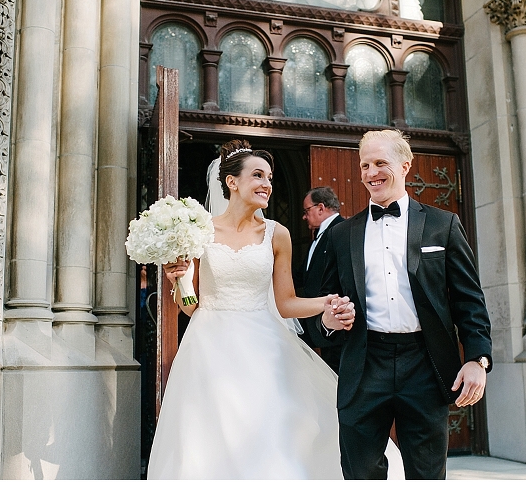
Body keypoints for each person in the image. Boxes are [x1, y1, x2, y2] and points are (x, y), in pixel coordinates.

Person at [146, 139, 359, 479]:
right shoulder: (199, 233)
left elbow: (286, 304)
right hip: (209, 345)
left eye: (271, 178)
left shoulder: (278, 234)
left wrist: (327, 302)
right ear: (232, 182)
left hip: (264, 346)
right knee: (211, 439)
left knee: (270, 434)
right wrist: (178, 282)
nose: (267, 184)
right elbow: (190, 306)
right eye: (258, 175)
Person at [311, 129, 493, 480]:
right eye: (365, 165)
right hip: (364, 365)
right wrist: (329, 322)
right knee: (360, 472)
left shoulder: (444, 225)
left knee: (426, 473)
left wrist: (476, 358)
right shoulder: (341, 234)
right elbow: (323, 306)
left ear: (405, 165)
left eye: (381, 162)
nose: (370, 172)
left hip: (424, 364)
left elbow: (469, 300)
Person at [294, 186, 345, 373]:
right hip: (315, 319)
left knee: (335, 374)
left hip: (335, 320)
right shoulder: (318, 236)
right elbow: (304, 276)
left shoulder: (341, 231)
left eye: (307, 210)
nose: (304, 216)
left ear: (321, 208)